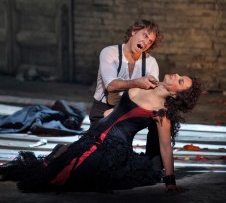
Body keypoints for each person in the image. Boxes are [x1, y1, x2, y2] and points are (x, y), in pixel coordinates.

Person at [0, 73, 202, 193]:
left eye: (181, 80)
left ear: (176, 94)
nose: (176, 75)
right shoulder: (148, 81)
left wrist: (170, 180)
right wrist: (113, 109)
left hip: (109, 148)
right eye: (180, 75)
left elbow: (165, 147)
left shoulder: (161, 112)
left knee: (60, 175)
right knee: (57, 158)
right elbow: (119, 99)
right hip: (94, 133)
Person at [89, 19, 164, 168]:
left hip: (130, 112)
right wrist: (137, 83)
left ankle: (155, 165)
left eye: (150, 41)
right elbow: (111, 85)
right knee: (103, 160)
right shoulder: (109, 52)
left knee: (161, 119)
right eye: (144, 35)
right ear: (133, 32)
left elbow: (152, 94)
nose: (146, 42)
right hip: (104, 109)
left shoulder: (150, 62)